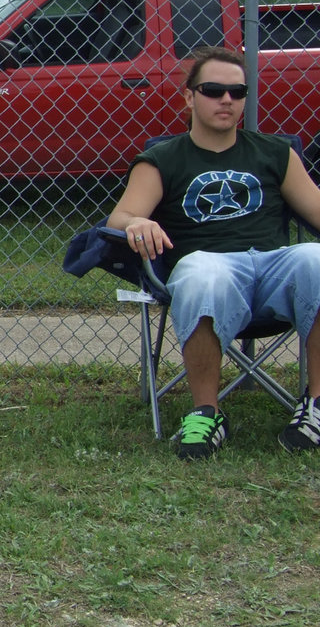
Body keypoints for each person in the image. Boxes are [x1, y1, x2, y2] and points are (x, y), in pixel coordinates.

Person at [107, 46, 320, 459]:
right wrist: (136, 223)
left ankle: (316, 406)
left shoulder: (276, 153)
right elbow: (121, 217)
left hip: (274, 267)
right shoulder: (162, 159)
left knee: (315, 258)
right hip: (209, 265)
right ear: (189, 96)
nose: (226, 99)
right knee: (203, 273)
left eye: (237, 92)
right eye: (213, 90)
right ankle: (206, 413)